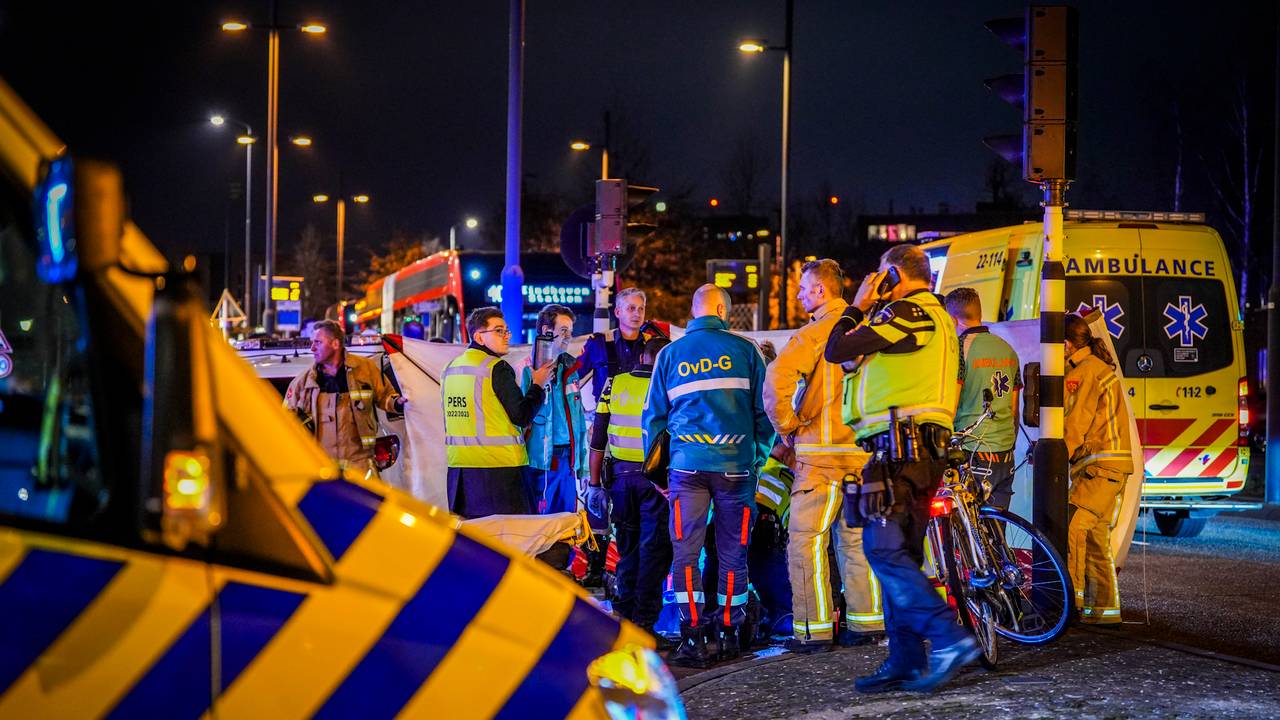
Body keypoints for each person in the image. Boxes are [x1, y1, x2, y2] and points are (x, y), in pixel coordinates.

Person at [825, 244, 977, 694]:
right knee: (902, 555)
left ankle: (949, 639)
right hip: (916, 450)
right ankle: (906, 660)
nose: (875, 281)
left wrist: (857, 307)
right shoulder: (931, 319)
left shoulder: (912, 312)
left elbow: (837, 349)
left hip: (903, 451)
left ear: (893, 274)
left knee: (884, 550)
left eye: (879, 274)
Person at [643, 284, 775, 668]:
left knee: (686, 554)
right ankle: (731, 632)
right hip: (736, 469)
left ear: (694, 310)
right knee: (734, 554)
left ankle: (693, 636)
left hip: (686, 470)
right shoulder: (747, 351)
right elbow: (764, 413)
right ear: (721, 309)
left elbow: (653, 420)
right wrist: (757, 457)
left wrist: (661, 474)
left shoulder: (670, 354)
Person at [765, 259, 884, 653]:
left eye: (802, 289)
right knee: (856, 542)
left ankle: (813, 631)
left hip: (819, 458)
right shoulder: (869, 330)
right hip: (863, 456)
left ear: (820, 291)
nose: (799, 295)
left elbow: (776, 383)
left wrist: (789, 428)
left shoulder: (815, 333)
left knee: (806, 543)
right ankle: (867, 624)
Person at [587, 337, 672, 640]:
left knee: (626, 549)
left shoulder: (614, 383)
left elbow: (598, 439)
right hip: (657, 483)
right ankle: (645, 624)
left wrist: (594, 484)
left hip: (620, 482)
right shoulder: (667, 385)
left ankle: (622, 620)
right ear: (661, 358)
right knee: (654, 552)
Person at [443, 307, 553, 519]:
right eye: (499, 331)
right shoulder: (496, 367)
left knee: (473, 541)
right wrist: (538, 385)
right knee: (510, 542)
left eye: (506, 331)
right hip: (500, 473)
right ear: (478, 337)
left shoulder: (450, 368)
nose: (506, 337)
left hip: (460, 472)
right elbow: (521, 415)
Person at [1063, 313, 1134, 626]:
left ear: (1066, 345)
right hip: (1111, 466)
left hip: (1099, 467)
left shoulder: (1086, 372)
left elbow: (1076, 422)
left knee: (1074, 528)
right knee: (1095, 538)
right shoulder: (1097, 367)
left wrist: (1054, 458)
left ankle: (1071, 603)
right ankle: (1104, 612)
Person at [284, 320, 405, 474]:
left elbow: (385, 396)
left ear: (335, 344)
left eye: (318, 343)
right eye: (312, 342)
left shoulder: (365, 370)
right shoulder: (304, 382)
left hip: (360, 467)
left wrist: (398, 403)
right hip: (321, 469)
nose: (312, 348)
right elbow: (284, 419)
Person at [944, 287, 1022, 510]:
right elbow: (1014, 409)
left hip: (972, 451)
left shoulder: (959, 349)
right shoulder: (1007, 349)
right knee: (994, 534)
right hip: (1005, 454)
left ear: (952, 318)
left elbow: (951, 403)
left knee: (967, 532)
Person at [521, 304, 588, 514]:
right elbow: (521, 417)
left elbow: (579, 420)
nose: (568, 337)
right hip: (541, 462)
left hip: (568, 460)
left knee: (567, 521)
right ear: (546, 332)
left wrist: (583, 467)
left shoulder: (571, 369)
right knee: (543, 524)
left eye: (570, 331)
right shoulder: (527, 369)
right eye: (563, 331)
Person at [575, 287, 666, 407]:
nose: (637, 314)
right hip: (606, 420)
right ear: (618, 312)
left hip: (643, 419)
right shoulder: (598, 343)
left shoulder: (653, 346)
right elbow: (573, 376)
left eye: (641, 309)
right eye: (631, 308)